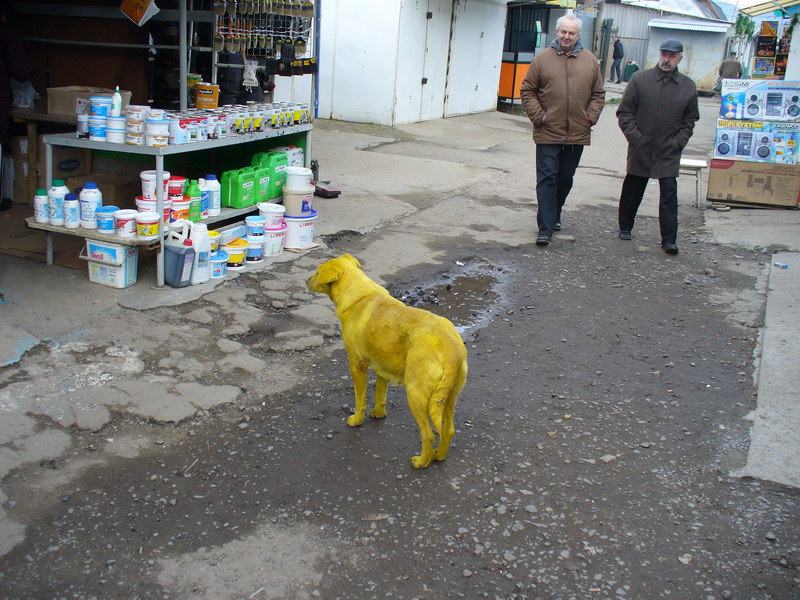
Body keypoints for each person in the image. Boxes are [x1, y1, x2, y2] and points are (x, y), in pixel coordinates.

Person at [520, 13, 605, 246]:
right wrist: (539, 116)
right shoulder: (542, 59)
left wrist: (590, 117)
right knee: (547, 178)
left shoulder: (590, 61)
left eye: (571, 33)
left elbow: (598, 94)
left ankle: (555, 212)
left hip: (577, 131)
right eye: (563, 32)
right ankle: (545, 228)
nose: (566, 36)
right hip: (548, 130)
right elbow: (527, 91)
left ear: (578, 35)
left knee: (565, 177)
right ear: (557, 32)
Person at [616, 38, 699, 255]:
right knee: (633, 186)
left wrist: (678, 142)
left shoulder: (688, 86)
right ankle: (625, 226)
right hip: (641, 145)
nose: (666, 59)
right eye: (664, 54)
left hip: (668, 149)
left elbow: (690, 121)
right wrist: (636, 138)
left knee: (669, 194)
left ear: (680, 57)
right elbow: (625, 113)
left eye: (672, 55)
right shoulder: (640, 79)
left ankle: (669, 239)